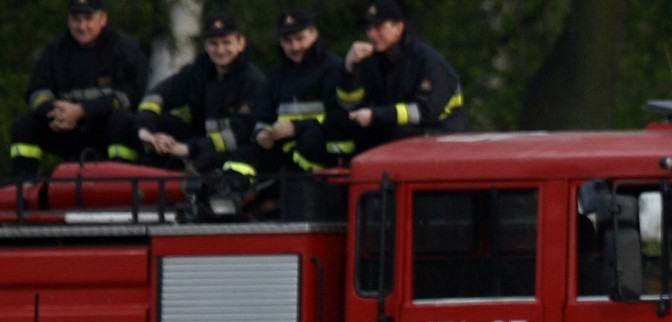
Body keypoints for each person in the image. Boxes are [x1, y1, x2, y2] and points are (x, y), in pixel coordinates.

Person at [10, 0, 146, 178]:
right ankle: (23, 187)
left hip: (106, 130)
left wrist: (83, 111)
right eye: (76, 19)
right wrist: (55, 112)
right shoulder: (55, 50)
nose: (82, 26)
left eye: (88, 19)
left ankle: (121, 182)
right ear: (68, 20)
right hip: (65, 128)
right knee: (25, 124)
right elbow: (36, 92)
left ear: (103, 19)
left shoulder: (124, 49)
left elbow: (130, 96)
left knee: (122, 122)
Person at [331, 0, 468, 156]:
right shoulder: (371, 60)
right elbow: (348, 105)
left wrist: (376, 115)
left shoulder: (427, 62)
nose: (372, 35)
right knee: (337, 125)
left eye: (379, 28)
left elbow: (424, 112)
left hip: (440, 133)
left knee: (398, 134)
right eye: (369, 29)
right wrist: (349, 70)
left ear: (399, 28)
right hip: (394, 129)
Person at [222, 9, 341, 185]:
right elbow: (263, 115)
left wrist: (296, 128)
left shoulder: (333, 68)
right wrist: (261, 134)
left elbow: (339, 118)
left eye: (300, 39)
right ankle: (230, 199)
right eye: (287, 41)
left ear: (314, 34)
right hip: (282, 147)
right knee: (239, 158)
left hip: (318, 149)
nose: (294, 47)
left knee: (308, 147)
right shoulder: (278, 74)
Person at [134, 15, 265, 172]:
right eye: (214, 44)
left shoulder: (252, 81)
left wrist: (188, 148)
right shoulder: (197, 72)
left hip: (233, 151)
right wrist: (147, 132)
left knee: (207, 159)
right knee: (144, 122)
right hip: (198, 142)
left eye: (226, 42)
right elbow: (156, 96)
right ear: (205, 46)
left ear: (240, 43)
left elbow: (239, 134)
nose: (220, 50)